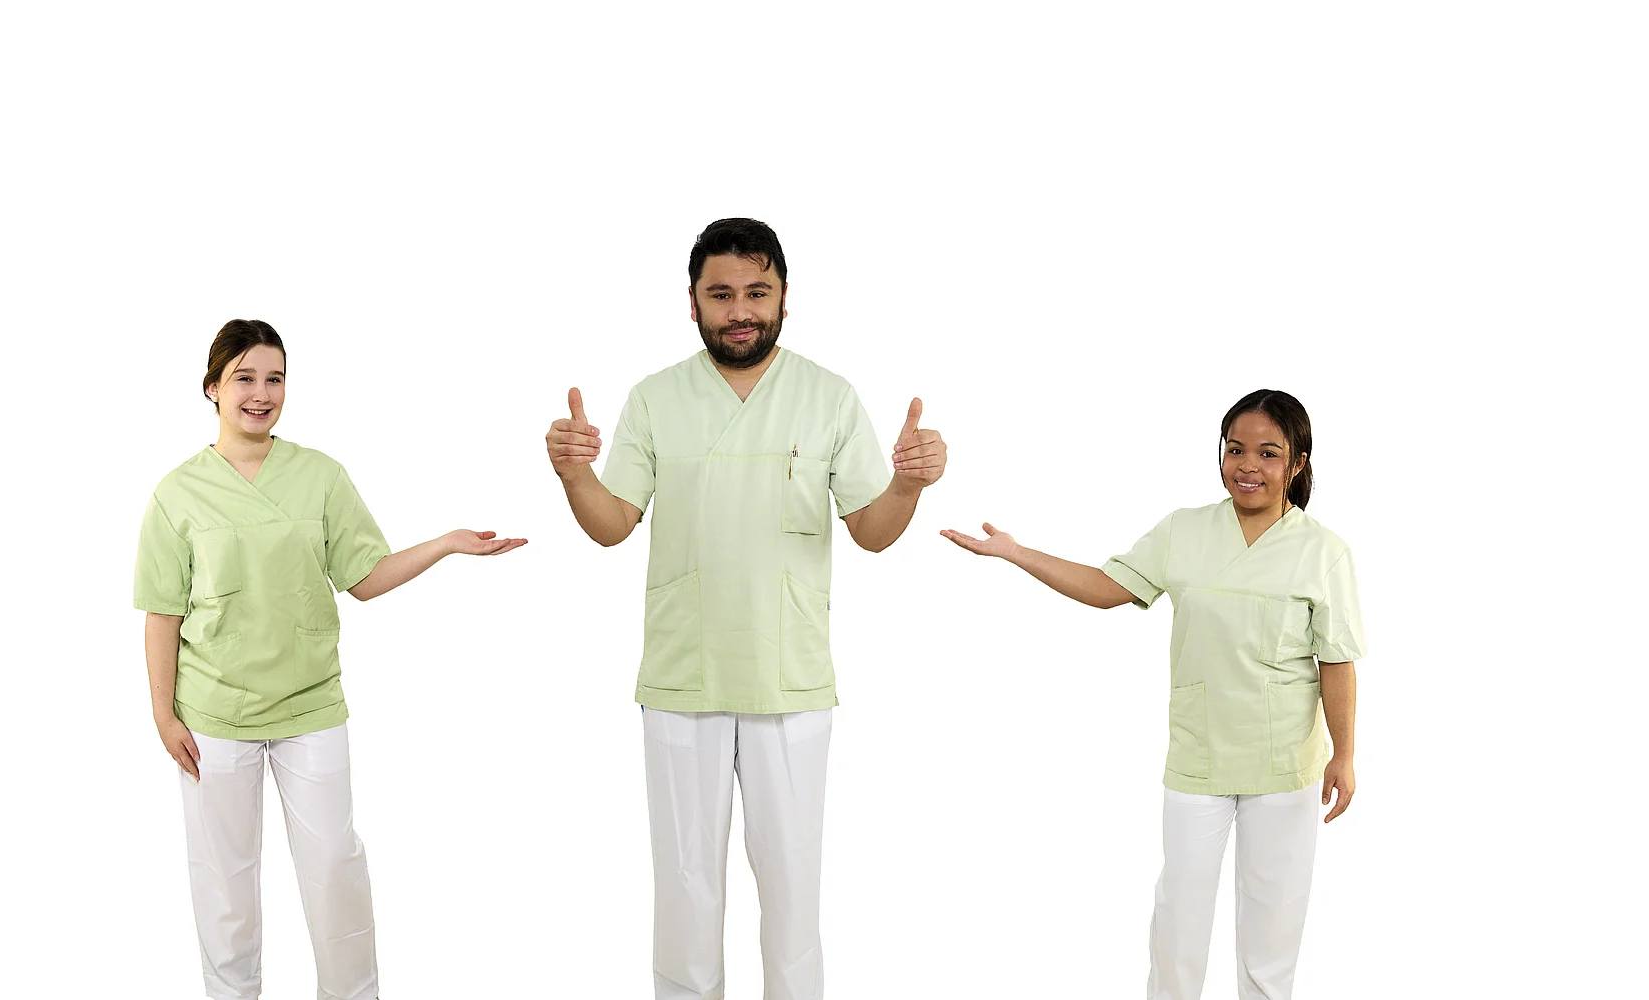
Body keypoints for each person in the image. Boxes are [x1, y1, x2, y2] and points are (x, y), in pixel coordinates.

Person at [545, 218, 947, 1000]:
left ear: (785, 298)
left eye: (757, 293)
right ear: (692, 302)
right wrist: (574, 475)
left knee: (793, 893)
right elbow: (612, 523)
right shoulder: (656, 398)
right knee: (685, 889)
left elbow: (872, 531)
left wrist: (908, 485)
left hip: (788, 679)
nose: (739, 311)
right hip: (683, 675)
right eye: (720, 294)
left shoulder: (828, 397)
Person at [134, 319, 527, 1000]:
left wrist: (445, 544)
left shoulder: (319, 476)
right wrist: (163, 716)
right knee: (225, 882)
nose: (261, 394)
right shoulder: (177, 493)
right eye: (244, 378)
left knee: (334, 867)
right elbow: (162, 614)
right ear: (212, 388)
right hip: (214, 715)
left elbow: (364, 578)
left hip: (310, 705)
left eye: (275, 379)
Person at [941, 389, 1363, 1000]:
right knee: (1178, 919)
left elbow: (1337, 660)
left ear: (1297, 464)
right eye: (1235, 449)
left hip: (1284, 765)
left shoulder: (1323, 551)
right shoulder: (1184, 531)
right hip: (1198, 756)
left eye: (1268, 453)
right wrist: (1016, 553)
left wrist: (1343, 754)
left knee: (1272, 929)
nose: (1248, 466)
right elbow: (1106, 587)